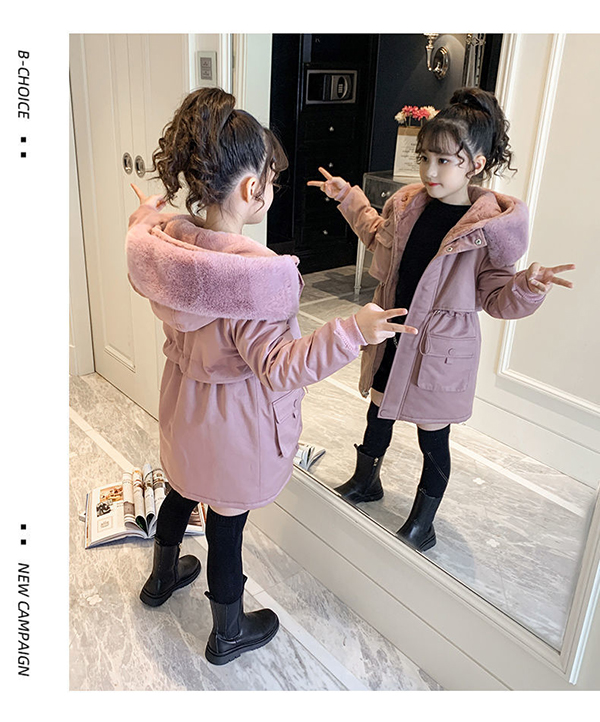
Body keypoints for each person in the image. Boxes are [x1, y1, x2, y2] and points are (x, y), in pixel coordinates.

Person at [125, 87, 418, 666]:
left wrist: (148, 213)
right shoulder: (253, 280)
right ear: (250, 189)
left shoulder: (172, 247)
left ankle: (161, 579)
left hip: (185, 411)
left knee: (182, 487)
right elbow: (283, 367)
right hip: (232, 428)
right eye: (272, 179)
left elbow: (152, 226)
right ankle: (228, 630)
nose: (273, 187)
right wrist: (353, 331)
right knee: (226, 525)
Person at [308, 86, 575, 553]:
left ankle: (422, 522)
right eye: (425, 158)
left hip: (440, 353)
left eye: (445, 161)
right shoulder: (407, 205)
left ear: (476, 164)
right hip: (392, 335)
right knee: (378, 412)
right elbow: (377, 236)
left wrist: (528, 285)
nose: (430, 171)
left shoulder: (487, 230)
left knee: (433, 439)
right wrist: (347, 197)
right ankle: (366, 481)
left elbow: (496, 298)